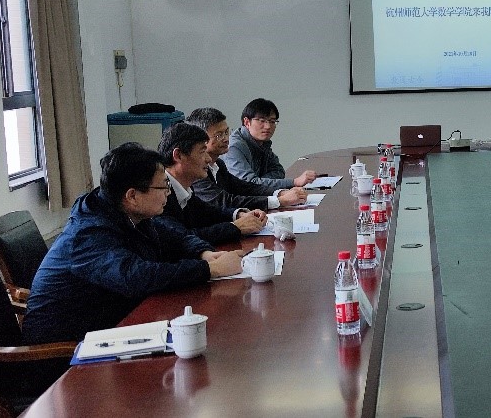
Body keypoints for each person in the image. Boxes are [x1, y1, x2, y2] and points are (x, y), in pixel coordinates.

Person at [23, 143, 243, 346]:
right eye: (163, 186)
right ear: (132, 196)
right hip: (65, 350)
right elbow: (135, 276)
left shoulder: (123, 211)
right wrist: (209, 269)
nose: (168, 193)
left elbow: (174, 236)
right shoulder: (88, 234)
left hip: (111, 326)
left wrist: (204, 253)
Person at [159, 123, 267, 245]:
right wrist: (235, 227)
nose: (208, 159)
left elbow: (208, 213)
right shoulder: (158, 192)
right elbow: (182, 238)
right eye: (202, 152)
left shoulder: (183, 187)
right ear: (178, 156)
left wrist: (239, 215)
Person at [185, 107, 308, 211]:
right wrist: (279, 201)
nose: (226, 139)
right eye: (218, 135)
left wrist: (279, 193)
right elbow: (224, 201)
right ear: (200, 139)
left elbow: (245, 187)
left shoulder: (218, 164)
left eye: (226, 132)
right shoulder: (195, 171)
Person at [221, 98, 318, 191]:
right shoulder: (234, 147)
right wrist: (294, 182)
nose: (268, 126)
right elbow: (248, 184)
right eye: (262, 121)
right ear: (247, 122)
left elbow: (279, 171)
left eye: (272, 121)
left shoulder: (262, 143)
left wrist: (260, 181)